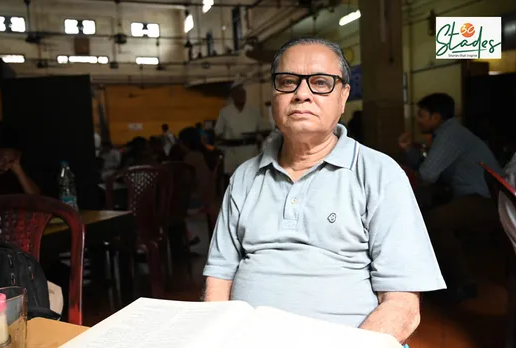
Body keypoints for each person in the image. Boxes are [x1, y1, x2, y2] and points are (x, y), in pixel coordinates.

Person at [203, 37, 445, 344]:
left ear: (344, 96)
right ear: (274, 96)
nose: (302, 94)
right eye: (288, 82)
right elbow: (219, 276)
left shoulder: (380, 174)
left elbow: (403, 306)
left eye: (320, 83)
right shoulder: (244, 177)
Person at [398, 93, 502, 301]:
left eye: (421, 115)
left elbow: (427, 174)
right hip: (471, 194)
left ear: (436, 118)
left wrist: (411, 152)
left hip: (485, 198)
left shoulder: (450, 135)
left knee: (433, 221)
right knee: (422, 203)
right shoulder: (448, 133)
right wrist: (408, 149)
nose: (418, 119)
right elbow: (430, 171)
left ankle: (463, 285)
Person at [214, 81, 269, 178]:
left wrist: (259, 135)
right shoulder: (225, 112)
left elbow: (264, 128)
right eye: (239, 94)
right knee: (234, 180)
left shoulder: (253, 111)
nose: (242, 96)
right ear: (233, 96)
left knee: (250, 179)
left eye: (243, 94)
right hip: (232, 152)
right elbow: (218, 131)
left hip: (250, 150)